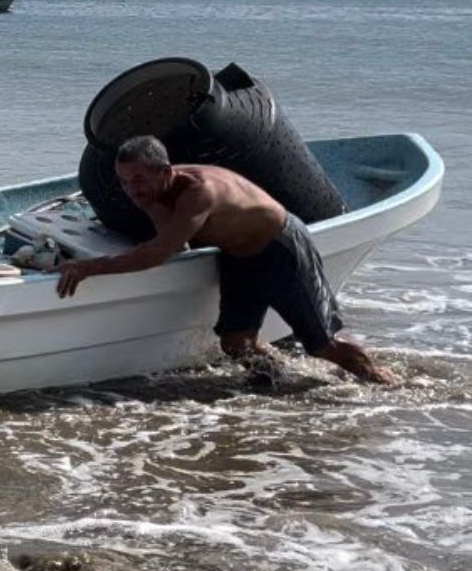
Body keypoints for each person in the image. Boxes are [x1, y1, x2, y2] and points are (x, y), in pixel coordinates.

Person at [56, 135, 392, 384]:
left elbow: (158, 253)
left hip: (280, 247)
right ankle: (280, 382)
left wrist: (88, 268)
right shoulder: (154, 191)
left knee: (321, 345)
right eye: (124, 181)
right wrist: (148, 209)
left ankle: (383, 382)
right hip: (237, 256)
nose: (130, 189)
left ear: (165, 171)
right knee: (236, 343)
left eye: (139, 179)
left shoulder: (199, 192)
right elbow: (176, 243)